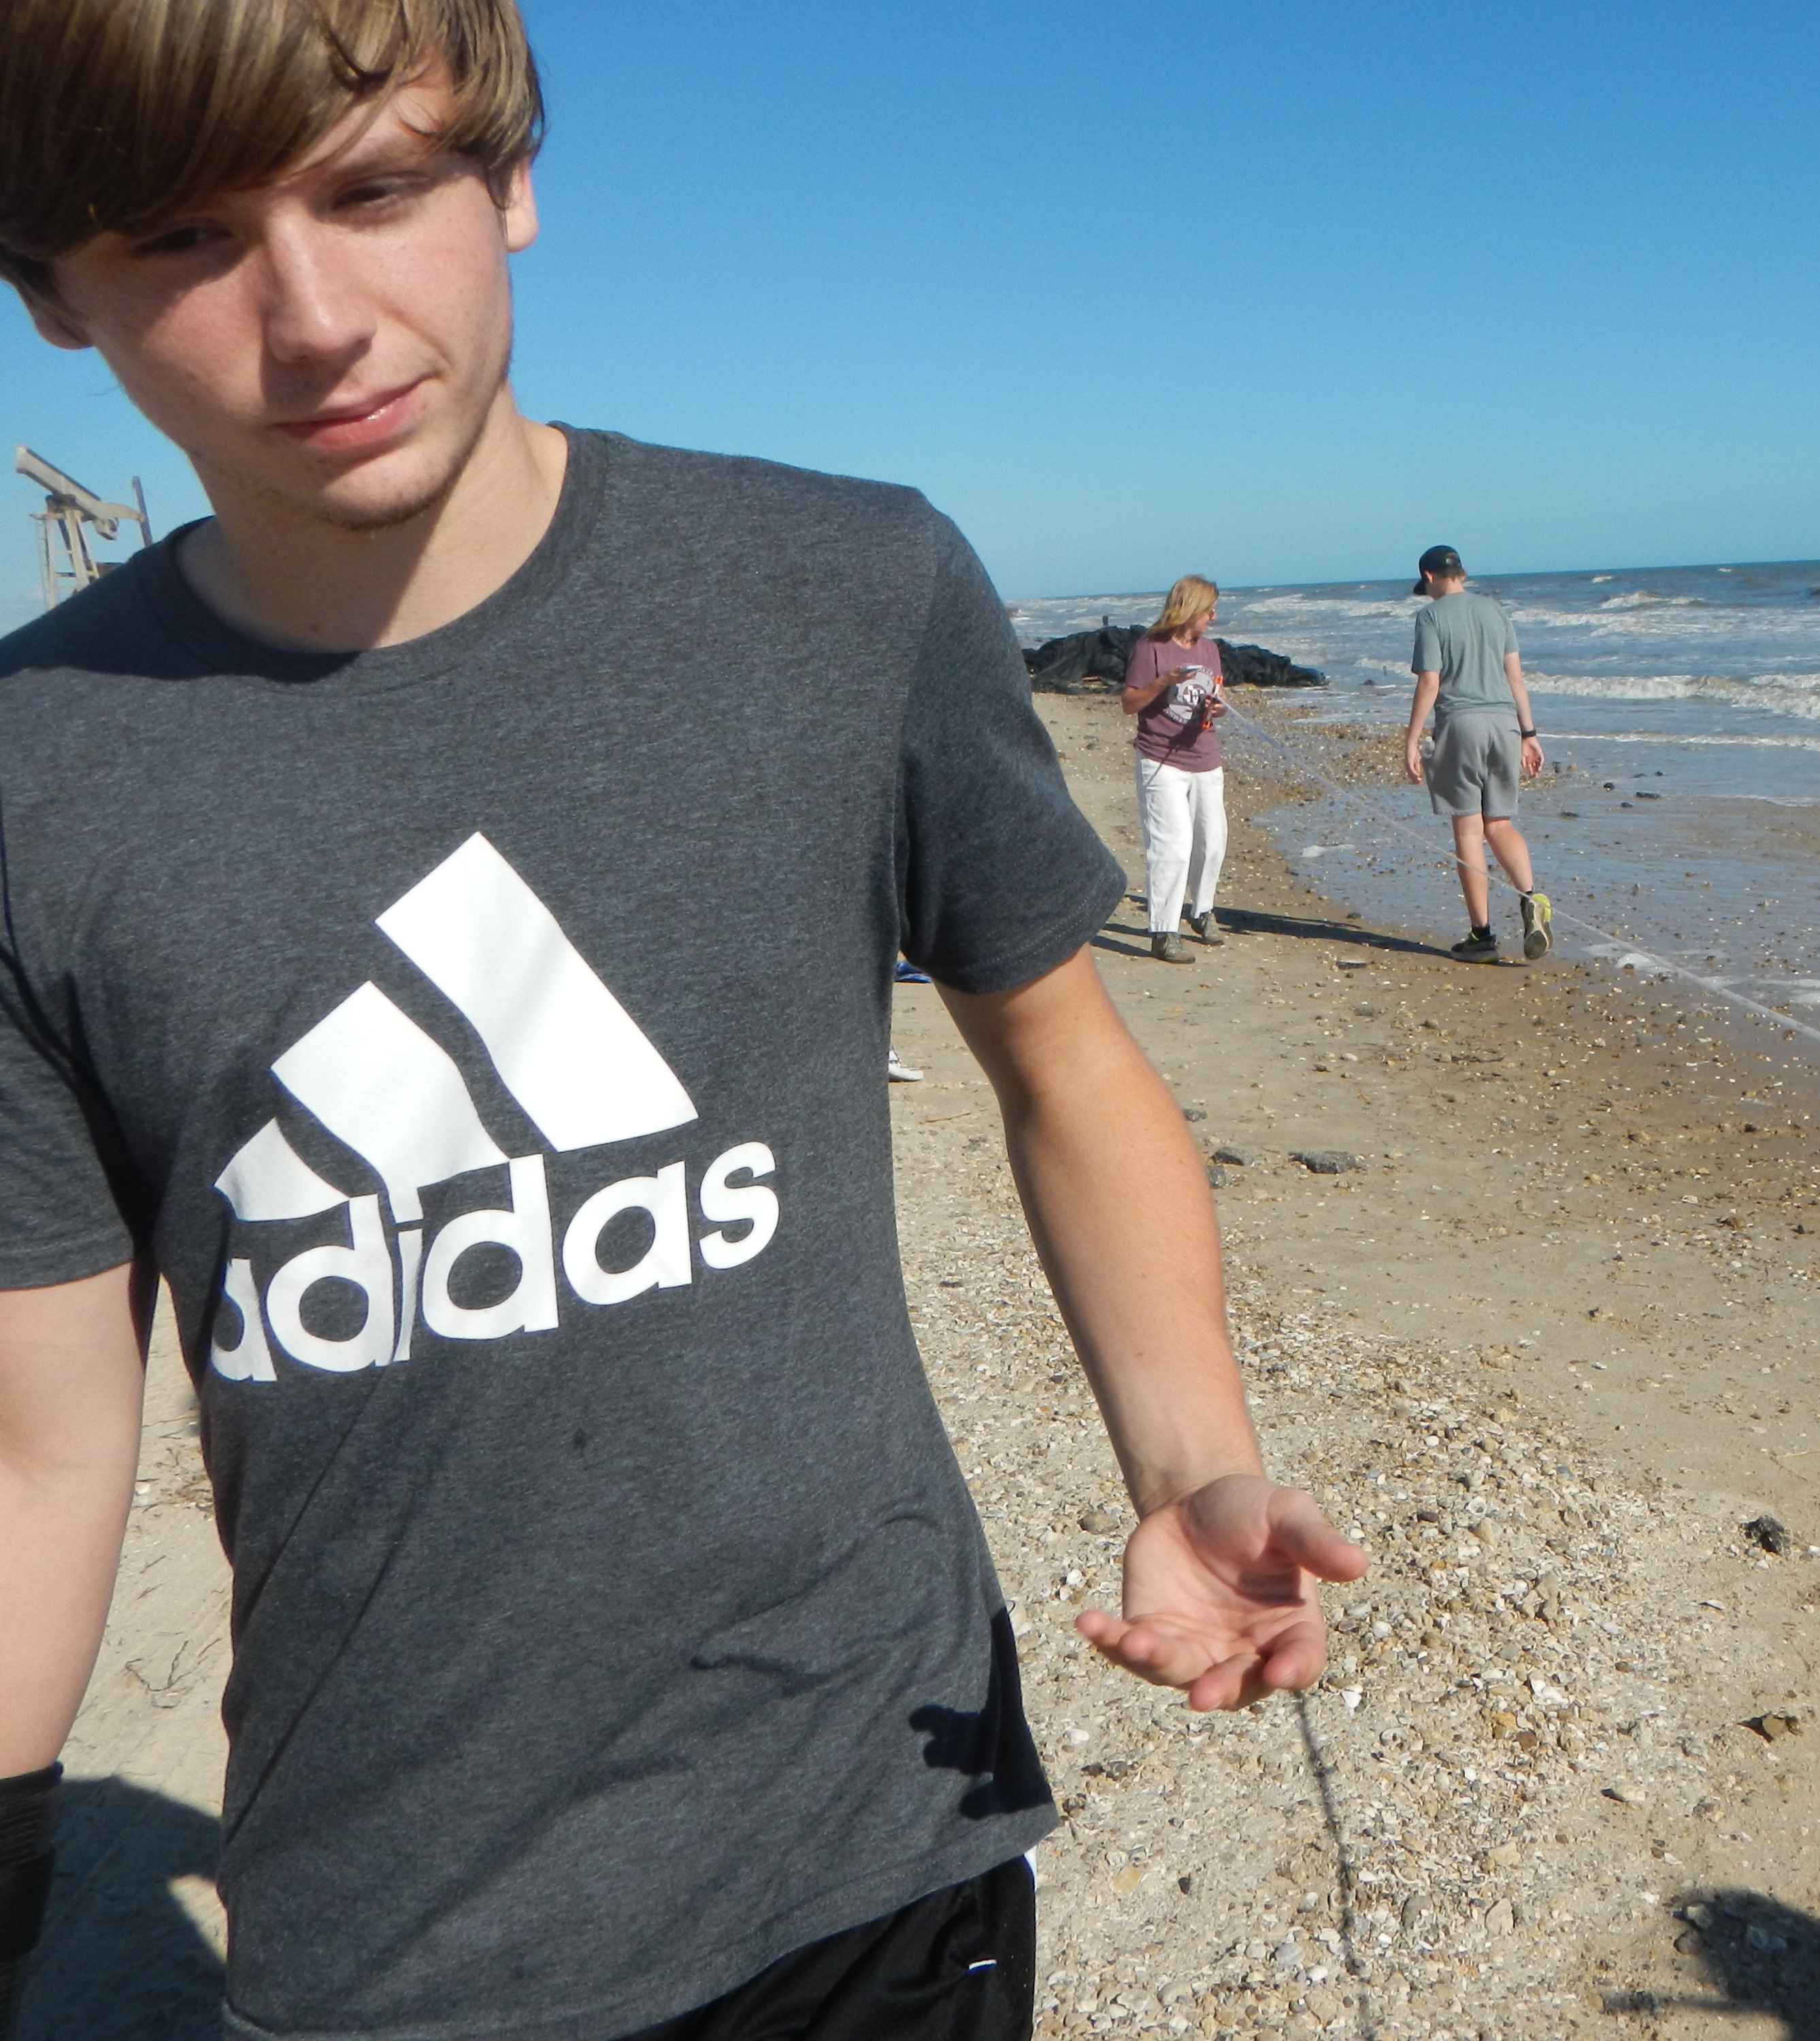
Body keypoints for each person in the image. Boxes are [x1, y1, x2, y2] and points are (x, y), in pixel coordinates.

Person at [0, 7, 1364, 2040]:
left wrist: (1189, 1464)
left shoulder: (845, 592)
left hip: (869, 1817)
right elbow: (36, 1441)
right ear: (50, 291)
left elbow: (1064, 1060)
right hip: (390, 1915)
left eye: (376, 190)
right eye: (186, 240)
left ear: (510, 178)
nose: (316, 321)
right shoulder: (37, 779)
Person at [1400, 546, 1553, 963]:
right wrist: (1530, 734)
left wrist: (1412, 740)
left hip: (1461, 724)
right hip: (1505, 725)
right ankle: (1531, 899)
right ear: (1462, 575)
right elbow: (1515, 677)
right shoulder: (1496, 611)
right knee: (1499, 824)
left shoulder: (1430, 616)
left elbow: (1430, 681)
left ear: (1429, 577)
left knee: (1469, 831)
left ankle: (1482, 937)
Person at [1119, 576, 1229, 963]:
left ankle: (1202, 911)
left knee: (1212, 843)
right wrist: (1164, 681)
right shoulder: (1150, 649)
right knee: (1173, 847)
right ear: (1190, 609)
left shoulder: (1210, 649)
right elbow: (1129, 704)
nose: (1213, 617)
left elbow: (1217, 694)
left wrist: (1218, 707)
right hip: (1160, 760)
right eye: (1209, 610)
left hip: (1205, 758)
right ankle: (1164, 931)